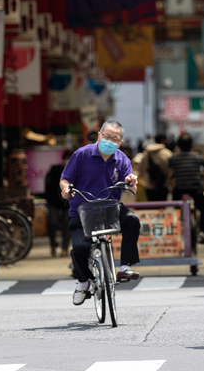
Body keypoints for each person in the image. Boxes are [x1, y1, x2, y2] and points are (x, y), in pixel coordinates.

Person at [60, 120, 142, 306]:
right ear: (99, 135)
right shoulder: (81, 154)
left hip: (110, 207)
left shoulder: (122, 159)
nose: (109, 140)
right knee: (80, 248)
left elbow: (132, 189)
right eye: (106, 136)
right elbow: (65, 179)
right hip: (81, 209)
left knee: (132, 220)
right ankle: (83, 282)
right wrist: (66, 190)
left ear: (120, 142)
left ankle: (125, 266)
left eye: (115, 138)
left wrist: (131, 182)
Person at [169, 133, 204, 242]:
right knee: (203, 209)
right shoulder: (198, 157)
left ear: (178, 145)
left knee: (176, 210)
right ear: (191, 145)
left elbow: (170, 174)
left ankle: (177, 229)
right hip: (196, 188)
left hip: (179, 190)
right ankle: (202, 230)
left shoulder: (173, 158)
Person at [44, 150, 72, 257]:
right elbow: (49, 185)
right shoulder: (55, 170)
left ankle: (64, 248)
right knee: (52, 223)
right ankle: (53, 246)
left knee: (67, 224)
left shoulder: (74, 171)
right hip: (53, 201)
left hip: (68, 202)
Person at [138, 134, 172, 202]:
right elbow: (171, 171)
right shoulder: (167, 153)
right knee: (162, 208)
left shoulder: (146, 153)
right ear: (163, 140)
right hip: (163, 186)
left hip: (149, 186)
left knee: (152, 208)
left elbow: (141, 170)